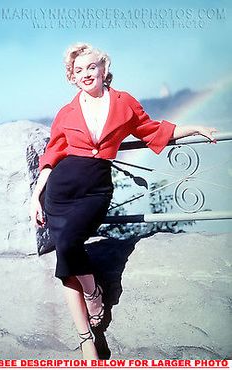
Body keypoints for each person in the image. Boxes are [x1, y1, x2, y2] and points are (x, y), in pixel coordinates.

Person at [30, 42, 217, 359]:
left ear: (103, 68)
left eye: (92, 67)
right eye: (79, 71)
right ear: (72, 78)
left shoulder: (123, 103)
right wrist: (37, 194)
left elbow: (153, 130)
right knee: (66, 254)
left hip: (95, 190)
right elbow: (52, 154)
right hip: (60, 191)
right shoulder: (66, 112)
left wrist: (195, 127)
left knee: (71, 245)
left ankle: (93, 293)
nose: (86, 74)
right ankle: (86, 340)